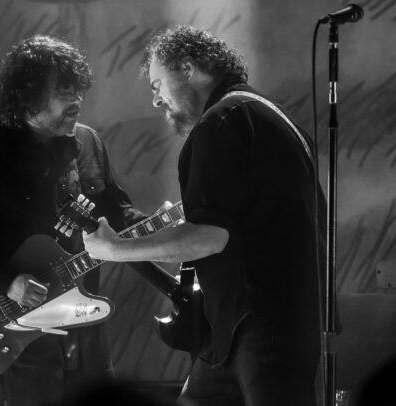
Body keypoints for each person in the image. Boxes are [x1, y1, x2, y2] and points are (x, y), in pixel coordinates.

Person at [83, 26, 324, 406]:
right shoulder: (266, 115)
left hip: (259, 325)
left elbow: (209, 237)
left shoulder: (219, 123)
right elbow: (244, 226)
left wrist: (113, 249)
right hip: (251, 326)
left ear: (187, 68)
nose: (156, 100)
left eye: (157, 85)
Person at [0, 35, 145, 406]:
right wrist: (7, 282)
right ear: (28, 98)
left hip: (86, 320)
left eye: (77, 89)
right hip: (26, 331)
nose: (76, 100)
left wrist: (162, 227)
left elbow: (117, 212)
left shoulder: (88, 143)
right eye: (63, 91)